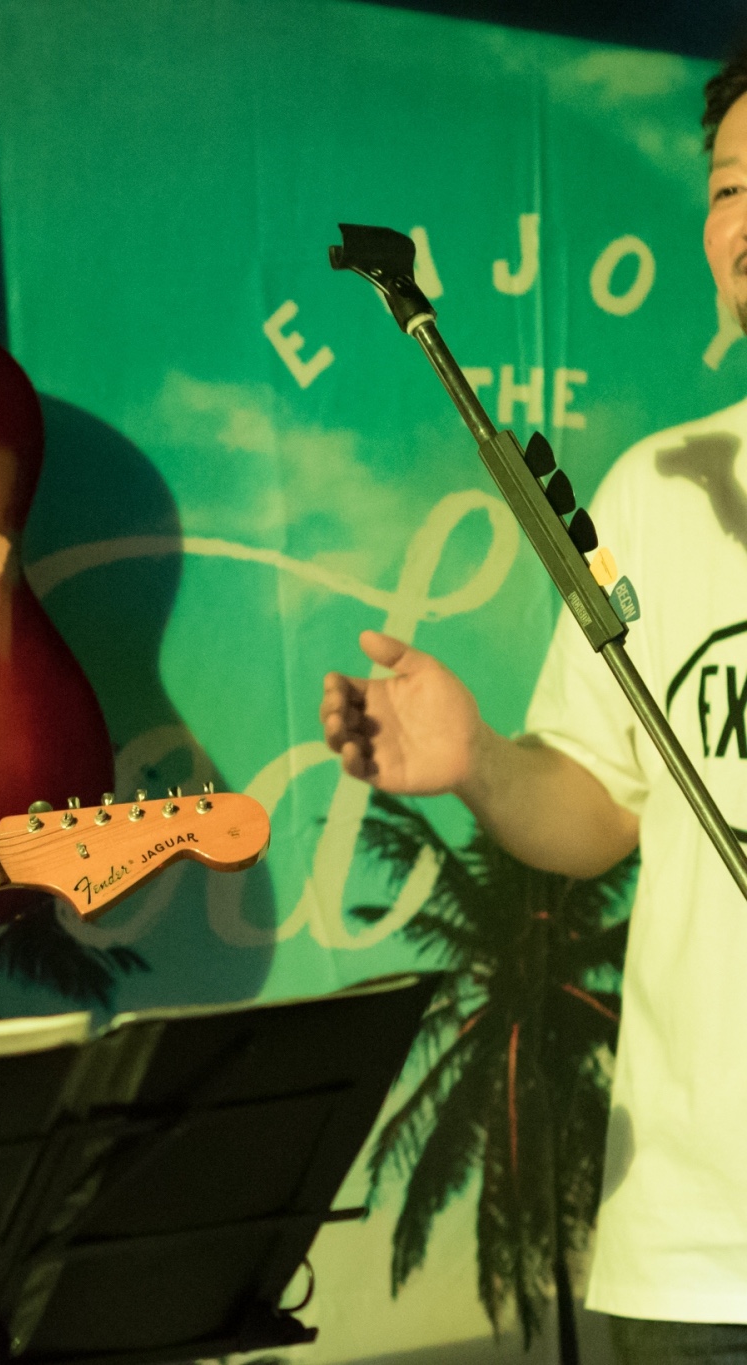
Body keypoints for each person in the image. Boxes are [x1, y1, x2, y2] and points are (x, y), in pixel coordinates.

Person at [319, 56, 747, 1365]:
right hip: (698, 1253)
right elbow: (602, 811)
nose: (744, 219)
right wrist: (480, 763)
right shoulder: (657, 490)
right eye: (729, 187)